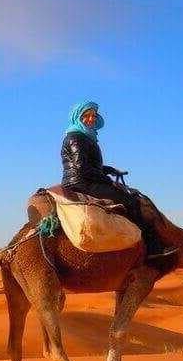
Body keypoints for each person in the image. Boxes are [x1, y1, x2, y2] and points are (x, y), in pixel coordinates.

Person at [60, 101, 175, 260]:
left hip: (82, 180)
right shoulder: (77, 138)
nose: (91, 119)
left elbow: (88, 164)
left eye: (93, 115)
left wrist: (109, 170)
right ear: (77, 117)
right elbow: (82, 168)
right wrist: (108, 181)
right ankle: (153, 248)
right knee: (131, 201)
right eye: (86, 115)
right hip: (82, 183)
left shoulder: (84, 137)